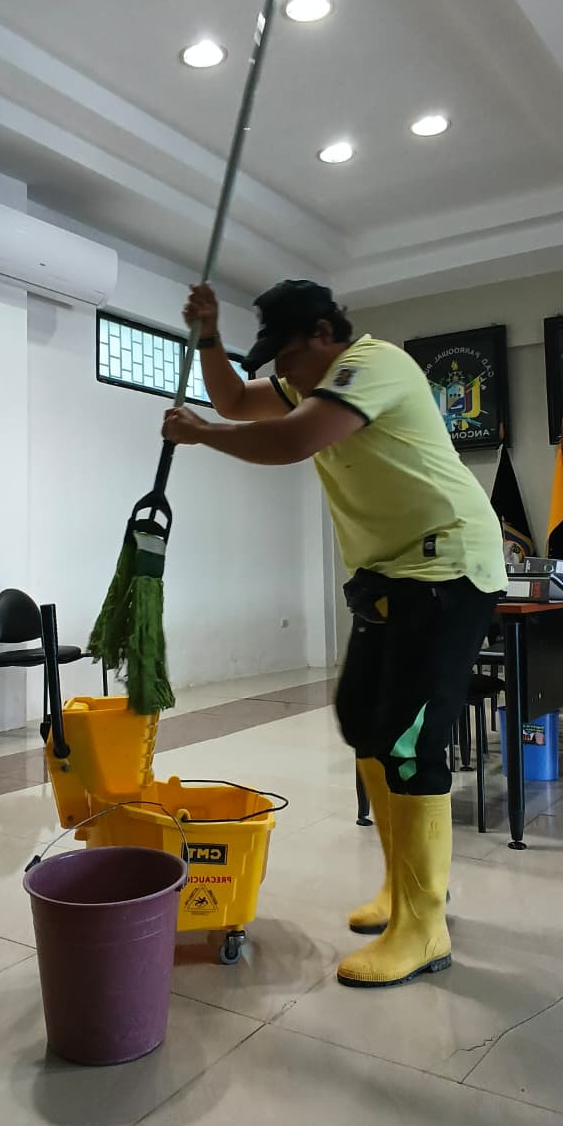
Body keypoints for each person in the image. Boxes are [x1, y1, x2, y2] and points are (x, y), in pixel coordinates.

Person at [162, 279, 506, 989]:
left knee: (407, 740)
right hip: (390, 575)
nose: (283, 373)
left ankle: (424, 925)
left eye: (288, 355)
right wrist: (208, 336)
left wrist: (201, 435)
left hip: (446, 567)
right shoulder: (306, 382)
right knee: (363, 722)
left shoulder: (372, 365)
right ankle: (401, 887)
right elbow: (235, 400)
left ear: (324, 333)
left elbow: (292, 440)